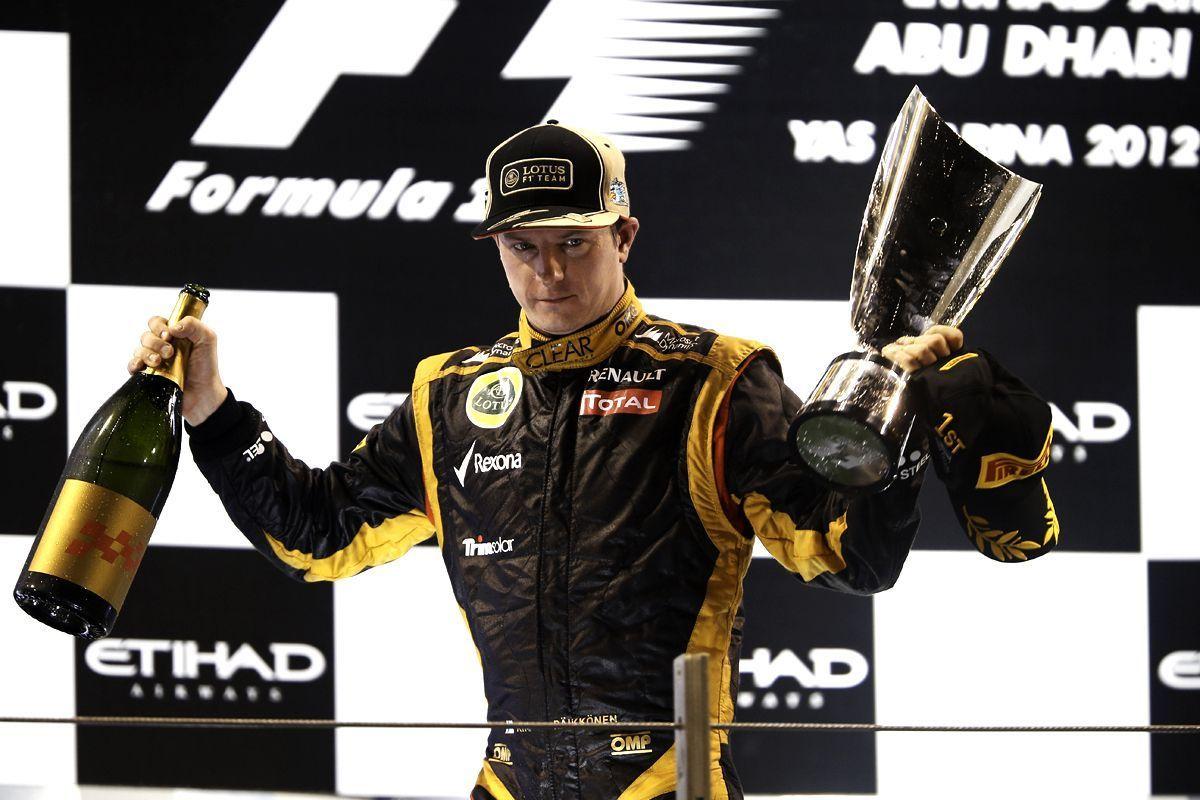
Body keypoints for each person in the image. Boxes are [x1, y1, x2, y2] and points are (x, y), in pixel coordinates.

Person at [128, 121, 1059, 800]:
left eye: (574, 241)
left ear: (624, 234)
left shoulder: (718, 377)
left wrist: (885, 436)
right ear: (494, 245)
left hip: (673, 783)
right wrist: (208, 404)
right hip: (510, 782)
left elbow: (850, 558)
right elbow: (319, 537)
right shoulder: (446, 393)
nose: (549, 272)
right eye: (522, 246)